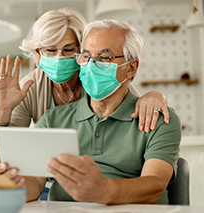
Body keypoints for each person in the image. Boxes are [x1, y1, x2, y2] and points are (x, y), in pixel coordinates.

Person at [0, 8, 170, 165]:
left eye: (68, 50)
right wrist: (2, 110)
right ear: (37, 54)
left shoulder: (97, 78)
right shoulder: (30, 87)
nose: (59, 57)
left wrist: (154, 96)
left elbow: (132, 103)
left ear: (82, 52)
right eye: (50, 50)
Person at [32, 19, 181, 204]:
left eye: (104, 58)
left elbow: (155, 185)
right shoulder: (51, 120)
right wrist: (6, 184)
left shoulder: (158, 120)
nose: (91, 65)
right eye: (86, 56)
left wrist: (104, 191)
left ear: (131, 67)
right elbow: (33, 183)